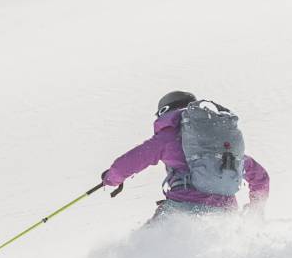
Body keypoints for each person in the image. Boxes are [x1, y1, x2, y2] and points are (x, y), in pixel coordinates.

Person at [102, 90, 269, 223]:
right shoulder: (217, 146)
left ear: (164, 112)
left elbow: (135, 159)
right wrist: (256, 209)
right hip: (225, 214)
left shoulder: (168, 137)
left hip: (183, 209)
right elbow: (260, 177)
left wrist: (111, 178)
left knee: (140, 250)